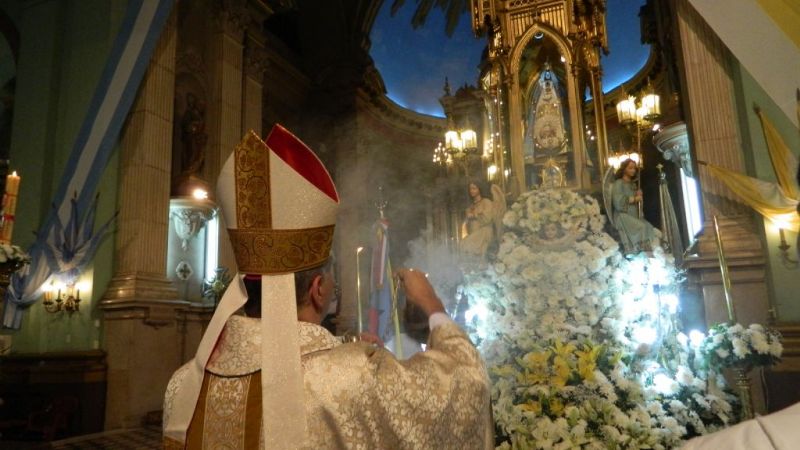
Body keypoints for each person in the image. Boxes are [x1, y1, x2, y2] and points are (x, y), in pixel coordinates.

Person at [162, 125, 493, 449]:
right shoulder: (350, 378)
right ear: (318, 288)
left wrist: (344, 350)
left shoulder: (183, 386)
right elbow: (468, 386)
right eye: (333, 276)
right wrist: (432, 305)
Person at [610, 159, 660, 255]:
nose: (633, 170)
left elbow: (639, 205)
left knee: (649, 227)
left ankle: (648, 254)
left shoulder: (633, 185)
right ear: (624, 169)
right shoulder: (619, 183)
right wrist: (634, 198)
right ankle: (643, 253)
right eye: (630, 168)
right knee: (642, 227)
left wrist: (640, 197)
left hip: (633, 215)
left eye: (634, 168)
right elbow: (617, 201)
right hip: (623, 216)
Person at [462, 181, 496, 259]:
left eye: (474, 188)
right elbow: (467, 223)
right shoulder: (471, 205)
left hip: (484, 231)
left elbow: (488, 218)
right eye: (470, 189)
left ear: (479, 189)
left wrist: (474, 215)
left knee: (467, 244)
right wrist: (468, 216)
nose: (471, 191)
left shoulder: (486, 202)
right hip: (474, 232)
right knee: (463, 245)